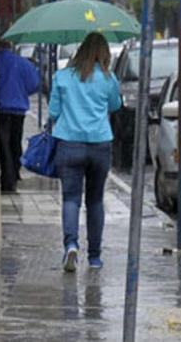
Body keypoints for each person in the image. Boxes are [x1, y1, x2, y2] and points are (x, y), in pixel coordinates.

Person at [48, 32, 122, 272]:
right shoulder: (108, 79)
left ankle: (71, 245)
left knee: (70, 199)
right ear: (104, 54)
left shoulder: (62, 77)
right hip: (100, 144)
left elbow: (54, 112)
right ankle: (95, 257)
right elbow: (115, 105)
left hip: (69, 144)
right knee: (95, 200)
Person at [0, 40, 41, 194]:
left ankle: (7, 179)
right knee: (15, 143)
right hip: (18, 111)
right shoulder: (22, 63)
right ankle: (14, 173)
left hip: (0, 109)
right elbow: (34, 83)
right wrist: (21, 93)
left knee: (3, 145)